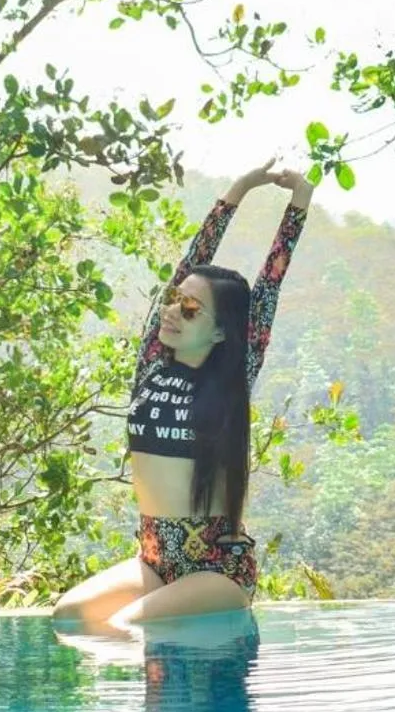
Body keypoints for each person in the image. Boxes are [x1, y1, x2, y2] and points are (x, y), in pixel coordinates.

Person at [52, 161, 315, 629]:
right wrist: (239, 187)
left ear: (220, 332)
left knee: (126, 627)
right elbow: (195, 256)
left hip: (215, 566)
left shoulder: (232, 378)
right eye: (176, 299)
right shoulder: (154, 362)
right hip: (154, 559)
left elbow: (271, 280)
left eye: (191, 310)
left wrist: (300, 201)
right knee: (70, 617)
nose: (174, 311)